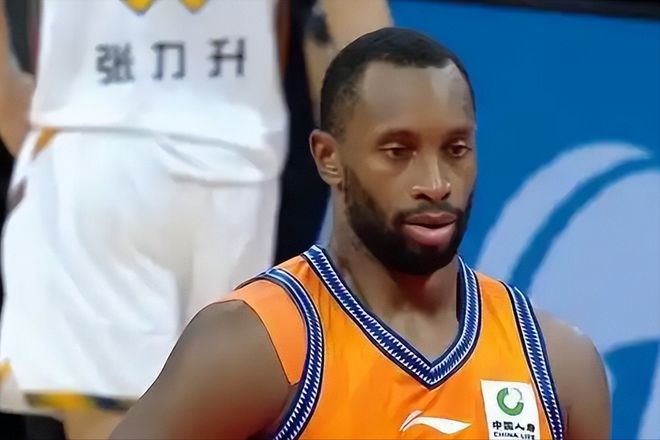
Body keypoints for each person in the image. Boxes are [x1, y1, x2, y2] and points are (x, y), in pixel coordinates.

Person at [114, 27, 611, 439]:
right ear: (329, 158)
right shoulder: (257, 344)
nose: (436, 183)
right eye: (398, 152)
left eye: (455, 149)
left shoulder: (557, 364)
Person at [0, 0, 290, 438]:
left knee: (116, 418)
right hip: (236, 157)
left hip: (98, 141)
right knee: (215, 413)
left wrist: (9, 98)